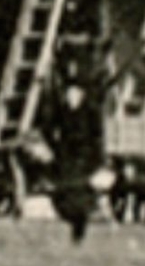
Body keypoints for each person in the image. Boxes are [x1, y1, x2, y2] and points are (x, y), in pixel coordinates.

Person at [42, 71, 107, 244]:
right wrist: (55, 147)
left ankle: (79, 230)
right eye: (68, 93)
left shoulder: (91, 111)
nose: (70, 96)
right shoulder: (62, 110)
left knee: (80, 196)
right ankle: (73, 223)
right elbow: (47, 129)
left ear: (81, 94)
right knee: (63, 196)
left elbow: (97, 137)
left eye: (74, 93)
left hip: (84, 158)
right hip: (66, 157)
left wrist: (97, 159)